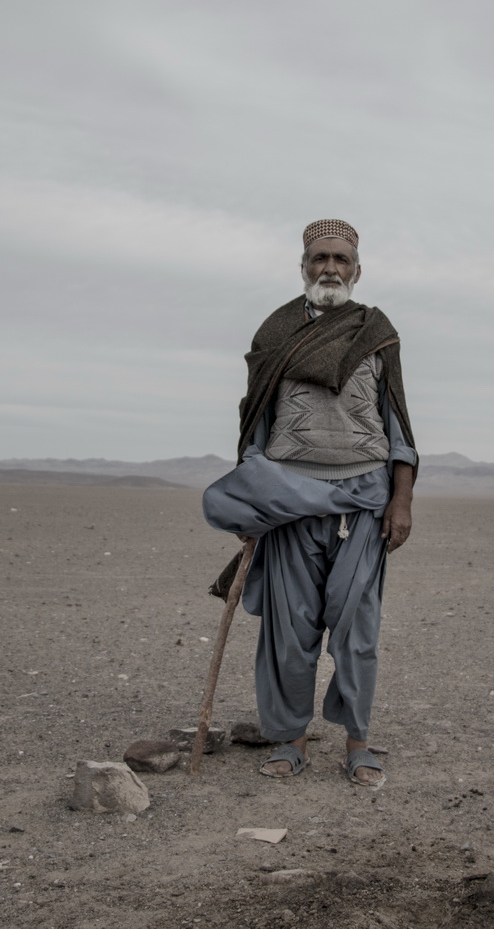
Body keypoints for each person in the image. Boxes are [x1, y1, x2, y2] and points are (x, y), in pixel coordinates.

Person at [202, 218, 417, 788]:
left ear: (357, 269)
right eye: (320, 258)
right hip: (289, 503)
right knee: (288, 629)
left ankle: (359, 743)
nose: (330, 268)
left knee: (357, 630)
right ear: (303, 266)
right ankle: (289, 739)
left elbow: (397, 424)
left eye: (341, 259)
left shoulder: (376, 331)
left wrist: (401, 501)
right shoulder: (276, 332)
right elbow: (255, 427)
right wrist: (254, 504)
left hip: (363, 501)